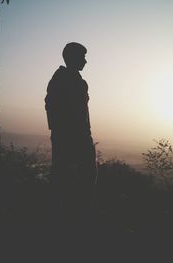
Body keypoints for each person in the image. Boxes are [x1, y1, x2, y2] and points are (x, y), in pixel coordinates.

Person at [45, 42, 97, 225]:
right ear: (73, 58)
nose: (85, 61)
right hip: (68, 137)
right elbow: (50, 105)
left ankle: (79, 212)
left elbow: (83, 112)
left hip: (80, 136)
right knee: (62, 176)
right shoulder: (60, 79)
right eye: (82, 57)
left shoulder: (80, 82)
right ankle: (61, 216)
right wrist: (60, 131)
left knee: (84, 175)